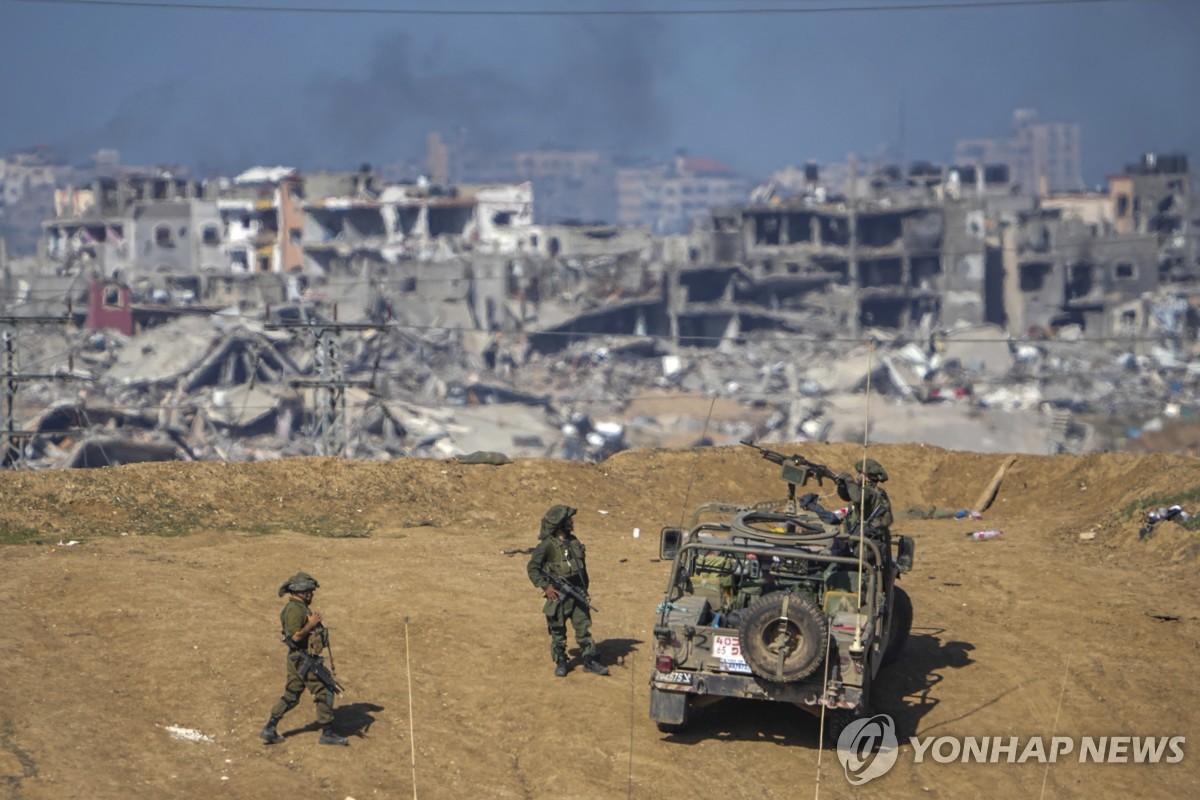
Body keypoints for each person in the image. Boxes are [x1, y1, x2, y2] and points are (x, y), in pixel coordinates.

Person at [259, 572, 348, 746]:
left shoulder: (299, 608)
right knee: (325, 690)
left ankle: (270, 727)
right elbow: (295, 637)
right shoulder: (294, 610)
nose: (312, 594)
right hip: (302, 658)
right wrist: (311, 624)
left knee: (292, 694)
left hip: (297, 658)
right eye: (310, 591)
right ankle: (327, 732)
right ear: (302, 592)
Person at [526, 505, 609, 677]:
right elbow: (533, 567)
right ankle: (561, 661)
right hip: (558, 594)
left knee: (583, 628)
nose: (572, 522)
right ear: (559, 524)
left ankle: (589, 660)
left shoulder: (574, 541)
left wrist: (585, 589)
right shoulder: (547, 546)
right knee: (558, 631)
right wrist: (546, 587)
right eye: (568, 520)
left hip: (577, 592)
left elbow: (582, 568)